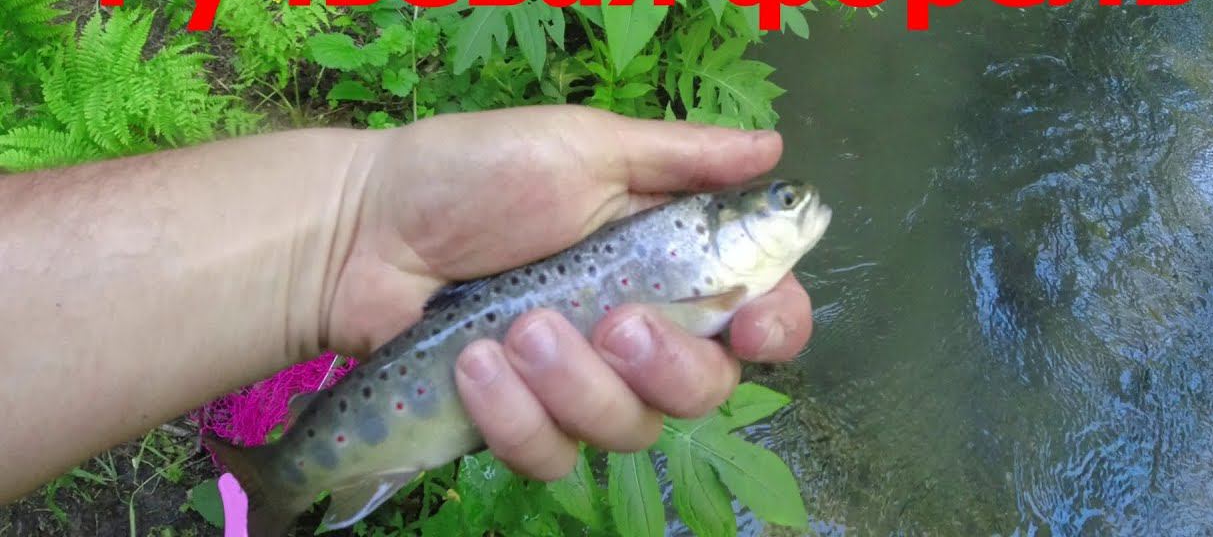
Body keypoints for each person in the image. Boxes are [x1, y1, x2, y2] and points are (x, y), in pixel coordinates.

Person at [0, 105, 813, 502]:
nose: (796, 204)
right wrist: (355, 216)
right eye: (781, 201)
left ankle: (284, 482)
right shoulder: (703, 251)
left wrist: (349, 223)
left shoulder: (710, 260)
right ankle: (278, 482)